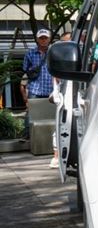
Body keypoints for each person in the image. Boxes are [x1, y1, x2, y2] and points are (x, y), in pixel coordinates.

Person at [20, 28, 53, 139]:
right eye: (41, 38)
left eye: (45, 38)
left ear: (49, 39)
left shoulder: (53, 52)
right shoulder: (30, 53)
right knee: (31, 112)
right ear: (37, 39)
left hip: (51, 88)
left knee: (51, 113)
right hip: (35, 88)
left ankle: (50, 136)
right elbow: (25, 69)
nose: (43, 40)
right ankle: (26, 135)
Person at [49, 32, 72, 168]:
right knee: (61, 126)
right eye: (65, 42)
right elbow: (57, 78)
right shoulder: (58, 58)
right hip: (64, 97)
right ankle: (56, 156)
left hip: (78, 95)